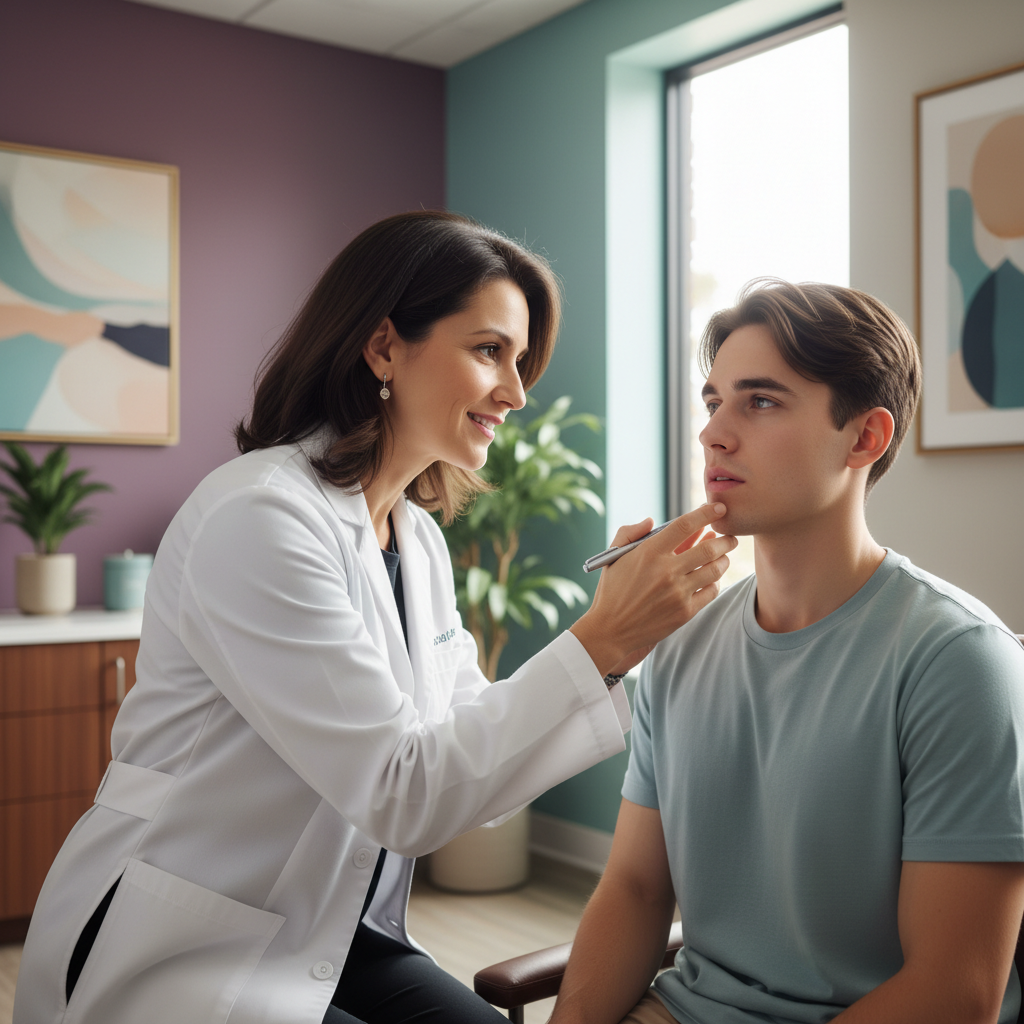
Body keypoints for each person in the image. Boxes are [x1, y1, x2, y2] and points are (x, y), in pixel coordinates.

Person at [13, 211, 737, 1024]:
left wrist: (615, 649)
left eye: (521, 360)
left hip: (337, 932)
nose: (517, 391)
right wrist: (606, 636)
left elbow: (469, 765)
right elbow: (405, 794)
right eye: (489, 350)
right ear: (385, 345)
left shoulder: (416, 539)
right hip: (184, 940)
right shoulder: (259, 516)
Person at [549, 280, 1024, 1024]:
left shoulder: (960, 662)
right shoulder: (678, 647)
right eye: (713, 403)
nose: (714, 433)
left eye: (760, 402)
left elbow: (954, 993)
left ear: (865, 437)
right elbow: (637, 889)